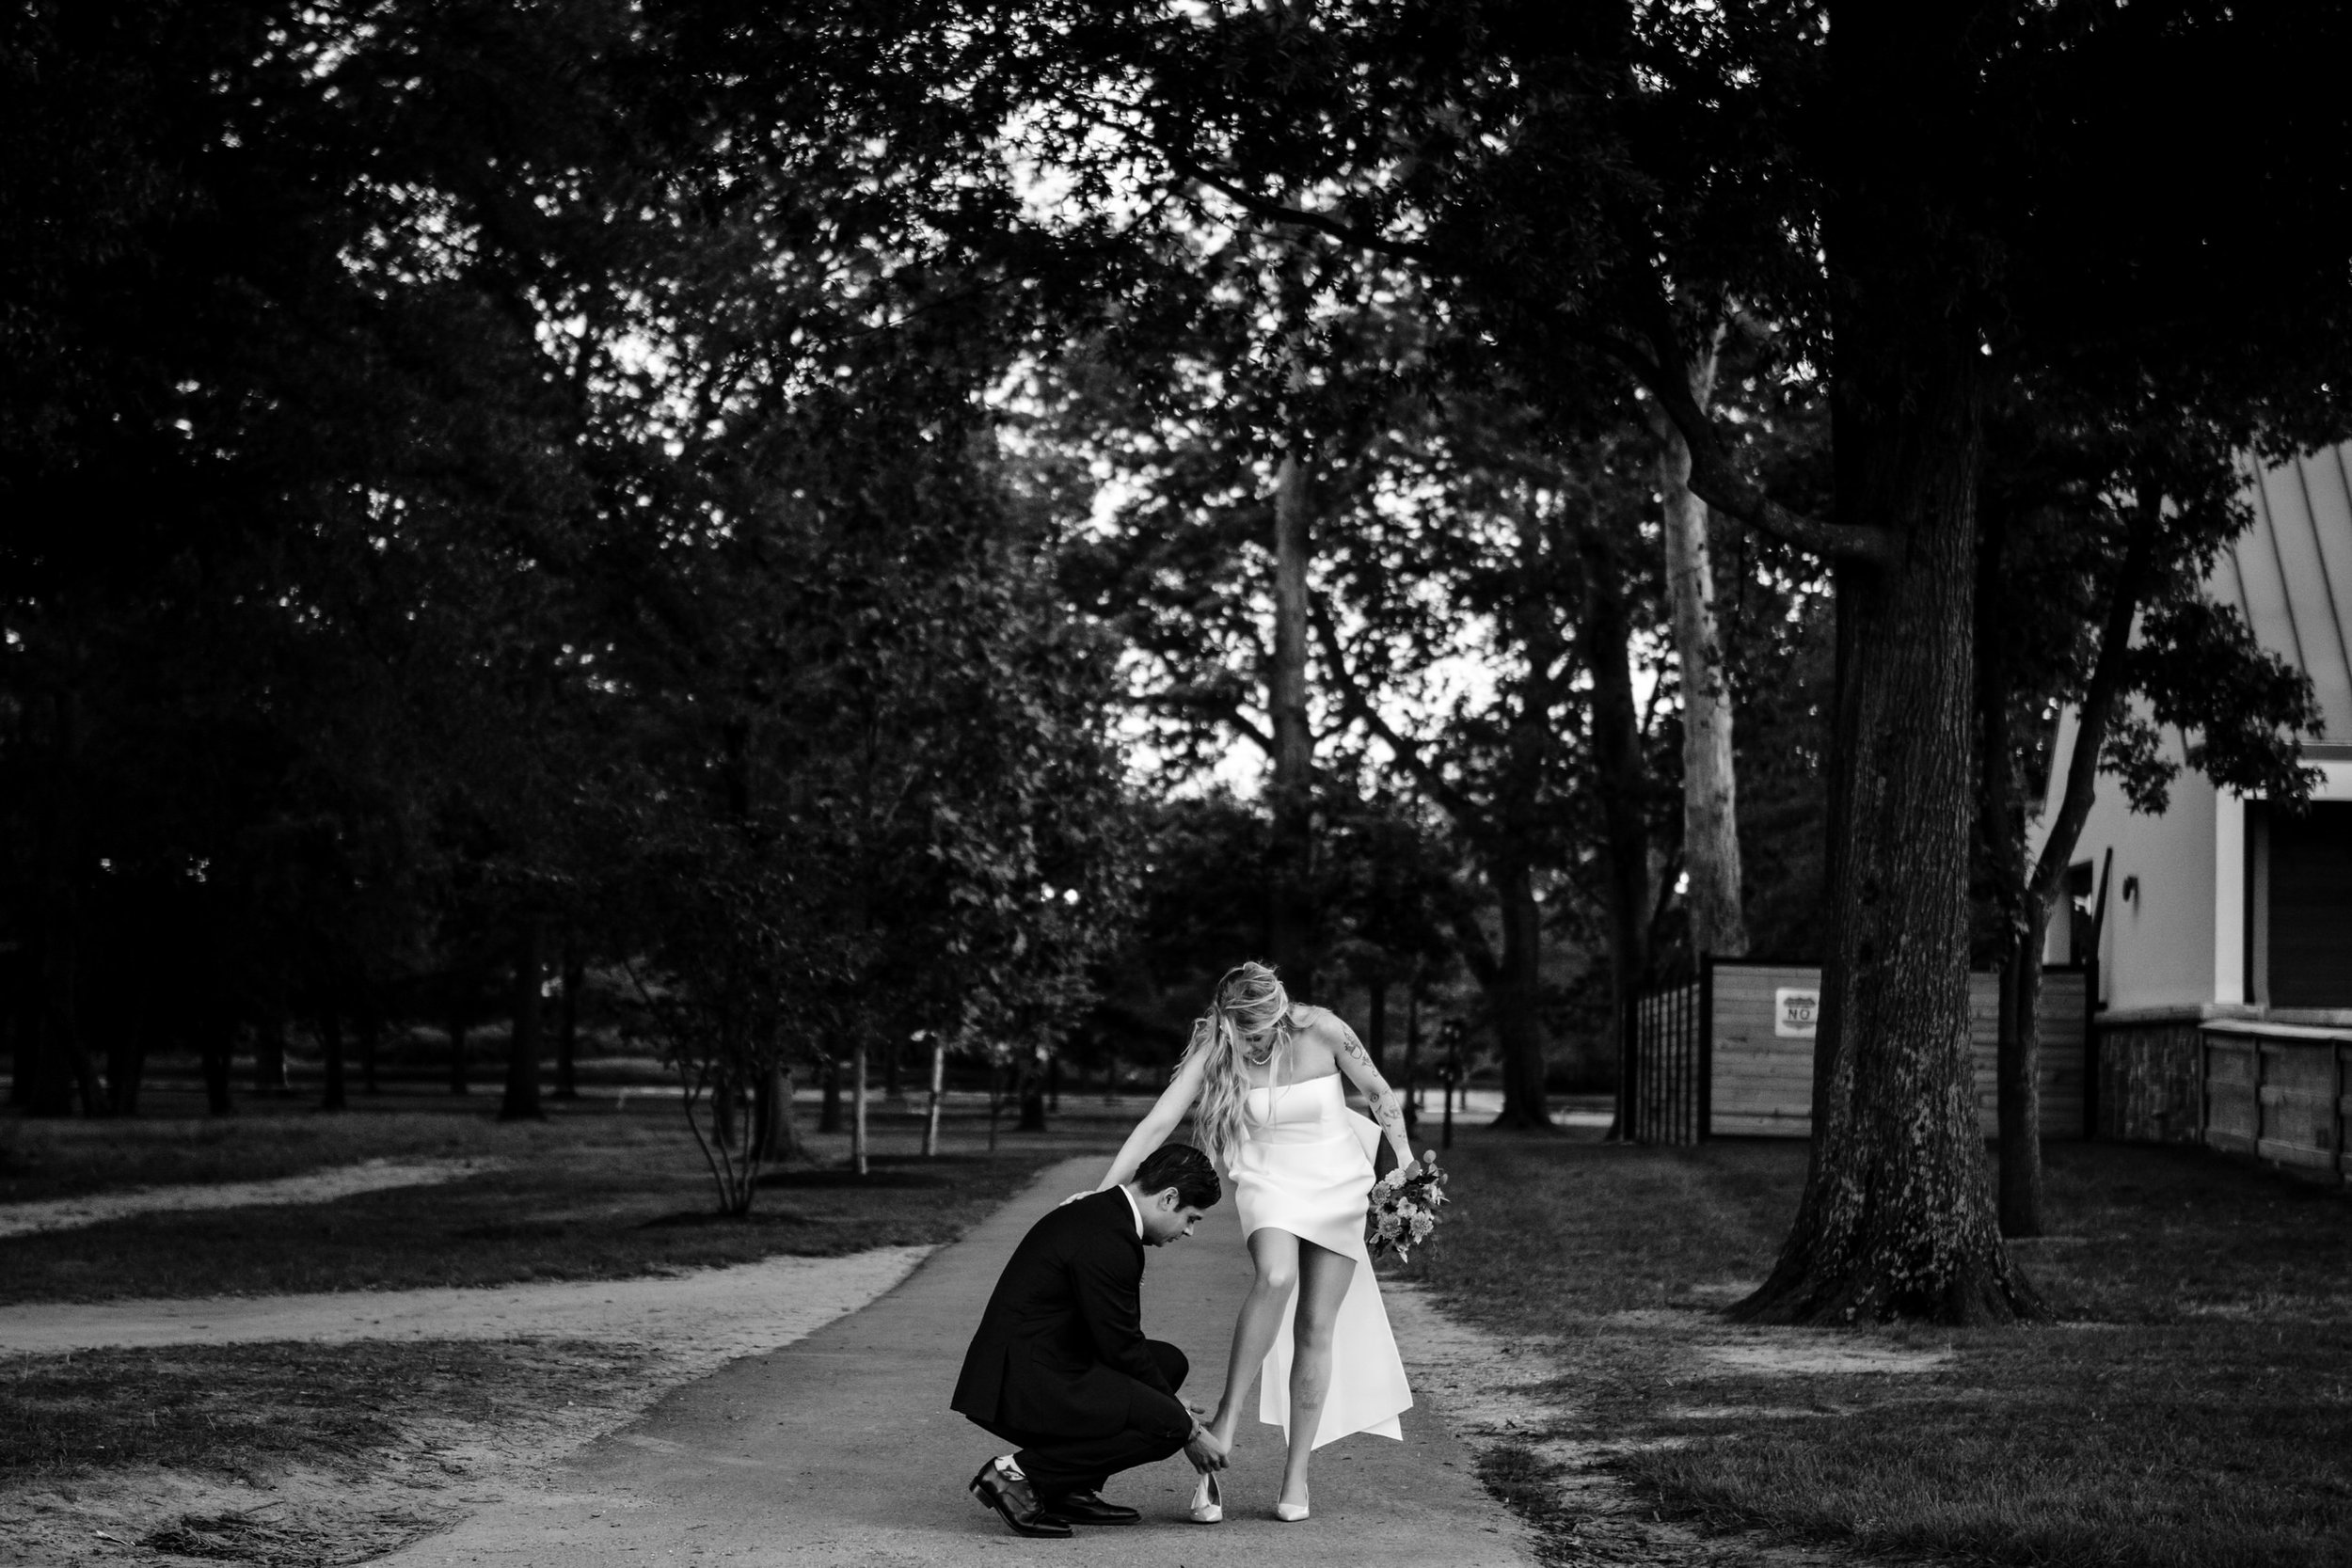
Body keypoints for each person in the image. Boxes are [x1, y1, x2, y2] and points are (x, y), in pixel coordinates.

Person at [1089, 961, 1417, 1523]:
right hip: (1269, 1180)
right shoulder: (1219, 1044)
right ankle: (1224, 1425)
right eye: (1245, 1033)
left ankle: (1296, 1477)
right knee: (1275, 1276)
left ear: (1281, 1009)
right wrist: (1102, 1195)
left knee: (1316, 1326)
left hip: (1339, 1182)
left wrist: (1407, 1167)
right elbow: (1157, 1122)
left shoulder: (1326, 1030)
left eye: (1262, 1030)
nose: (1254, 1042)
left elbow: (1381, 1094)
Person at [951, 1142, 1232, 1538]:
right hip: (1022, 1380)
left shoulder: (1103, 1215)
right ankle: (1017, 1477)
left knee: (1169, 1363)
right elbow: (1122, 1348)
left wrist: (1163, 1397)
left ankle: (1067, 1488)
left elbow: (1115, 1343)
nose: (1187, 1230)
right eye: (1191, 1217)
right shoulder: (1110, 1238)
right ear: (1169, 1198)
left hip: (1043, 1360)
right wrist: (1188, 1427)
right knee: (1166, 1425)